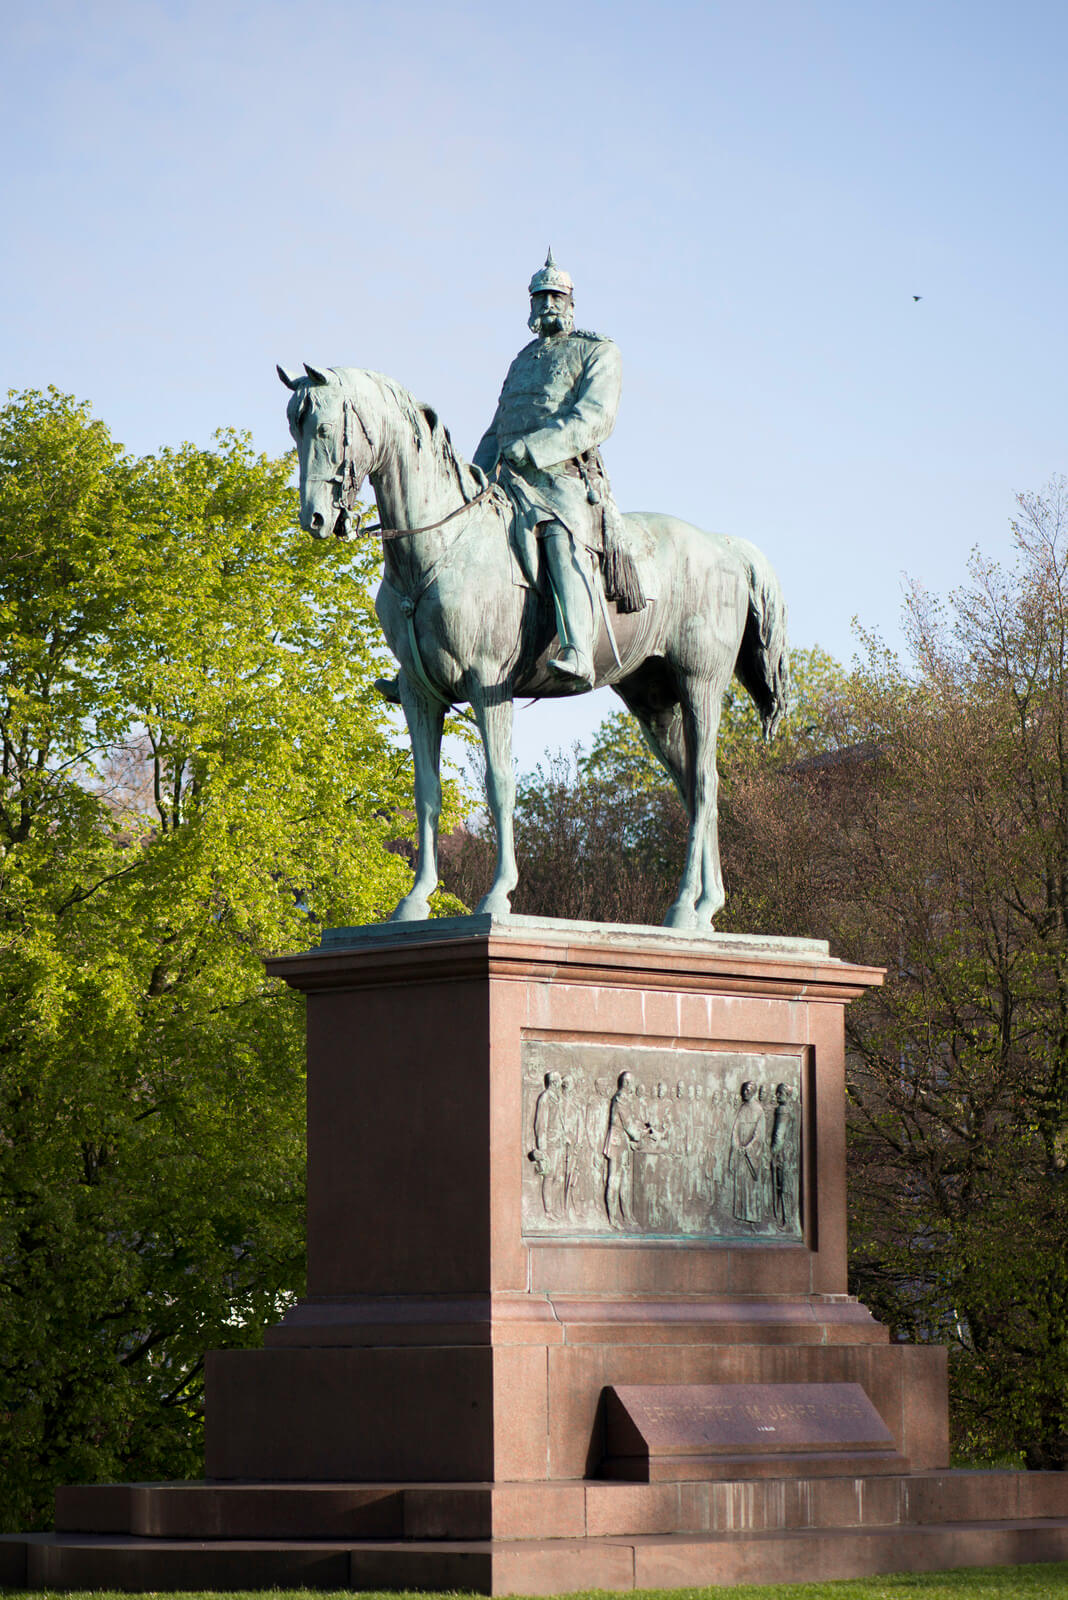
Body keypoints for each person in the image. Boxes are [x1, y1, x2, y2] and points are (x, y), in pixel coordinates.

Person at [473, 250, 627, 690]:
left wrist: (535, 449)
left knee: (558, 538)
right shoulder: (521, 360)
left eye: (555, 297)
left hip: (564, 481)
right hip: (508, 484)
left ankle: (578, 649)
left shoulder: (596, 351)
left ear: (572, 303)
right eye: (539, 299)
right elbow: (496, 428)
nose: (547, 306)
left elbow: (595, 417)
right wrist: (472, 481)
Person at [602, 1070, 645, 1228]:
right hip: (617, 1142)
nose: (631, 1085)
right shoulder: (620, 1098)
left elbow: (633, 1121)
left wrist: (645, 1129)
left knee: (626, 1181)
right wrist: (639, 1135)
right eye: (629, 1082)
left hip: (624, 1143)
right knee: (615, 1179)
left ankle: (627, 1215)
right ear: (625, 1083)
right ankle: (612, 1218)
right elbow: (628, 1124)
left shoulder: (627, 1099)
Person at [728, 1080, 766, 1225]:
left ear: (754, 1091)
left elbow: (759, 1135)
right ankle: (740, 1214)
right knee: (741, 1183)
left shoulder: (759, 1110)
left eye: (748, 1090)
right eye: (744, 1090)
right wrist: (737, 1144)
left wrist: (748, 1148)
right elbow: (735, 1129)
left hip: (750, 1154)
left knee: (751, 1185)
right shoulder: (742, 1108)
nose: (745, 1092)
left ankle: (752, 1216)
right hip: (740, 1151)